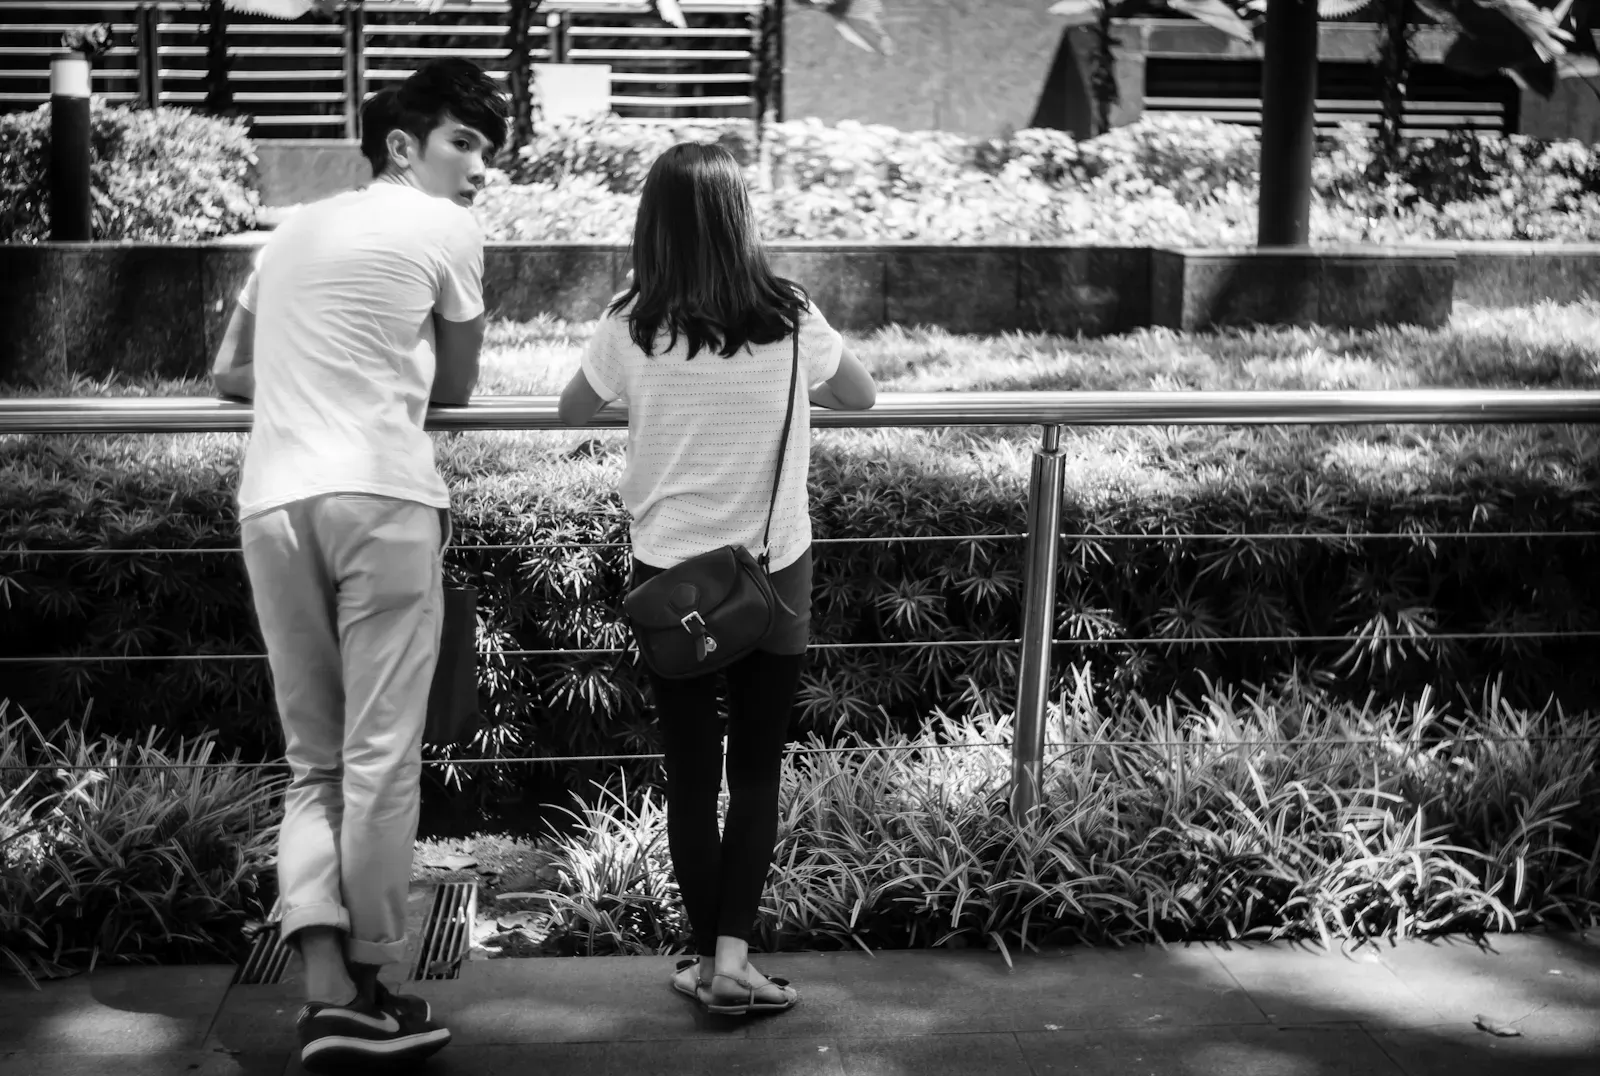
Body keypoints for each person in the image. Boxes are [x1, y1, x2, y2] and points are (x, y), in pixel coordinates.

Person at [209, 58, 506, 1072]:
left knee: (315, 761)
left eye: (486, 150)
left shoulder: (293, 230)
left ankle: (329, 991)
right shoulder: (446, 226)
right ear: (402, 145)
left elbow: (229, 372)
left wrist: (318, 371)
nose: (478, 169)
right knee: (381, 757)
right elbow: (457, 384)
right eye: (464, 143)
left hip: (273, 502)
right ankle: (374, 980)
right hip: (381, 497)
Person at [558, 142, 878, 1015]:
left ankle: (706, 965)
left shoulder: (633, 320)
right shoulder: (789, 313)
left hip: (671, 577)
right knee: (759, 770)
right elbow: (860, 396)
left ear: (653, 224)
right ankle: (735, 961)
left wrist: (658, 397)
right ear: (741, 217)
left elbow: (571, 410)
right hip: (774, 572)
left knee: (693, 777)